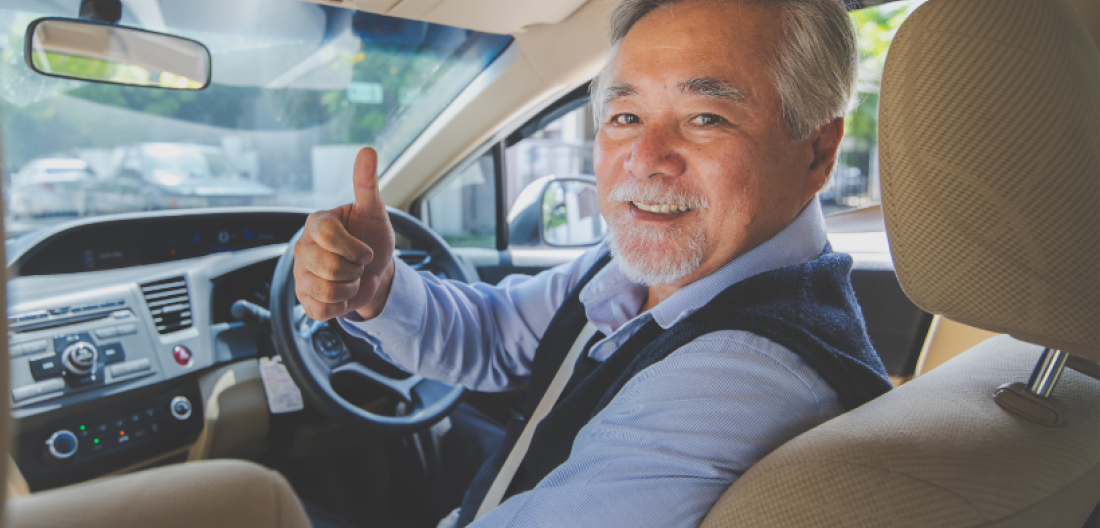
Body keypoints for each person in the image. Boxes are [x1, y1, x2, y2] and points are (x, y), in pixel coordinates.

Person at [292, 0, 892, 526]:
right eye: (626, 117)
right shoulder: (642, 266)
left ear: (818, 151)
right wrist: (381, 289)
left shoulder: (749, 370)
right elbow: (499, 332)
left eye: (706, 118)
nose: (644, 159)